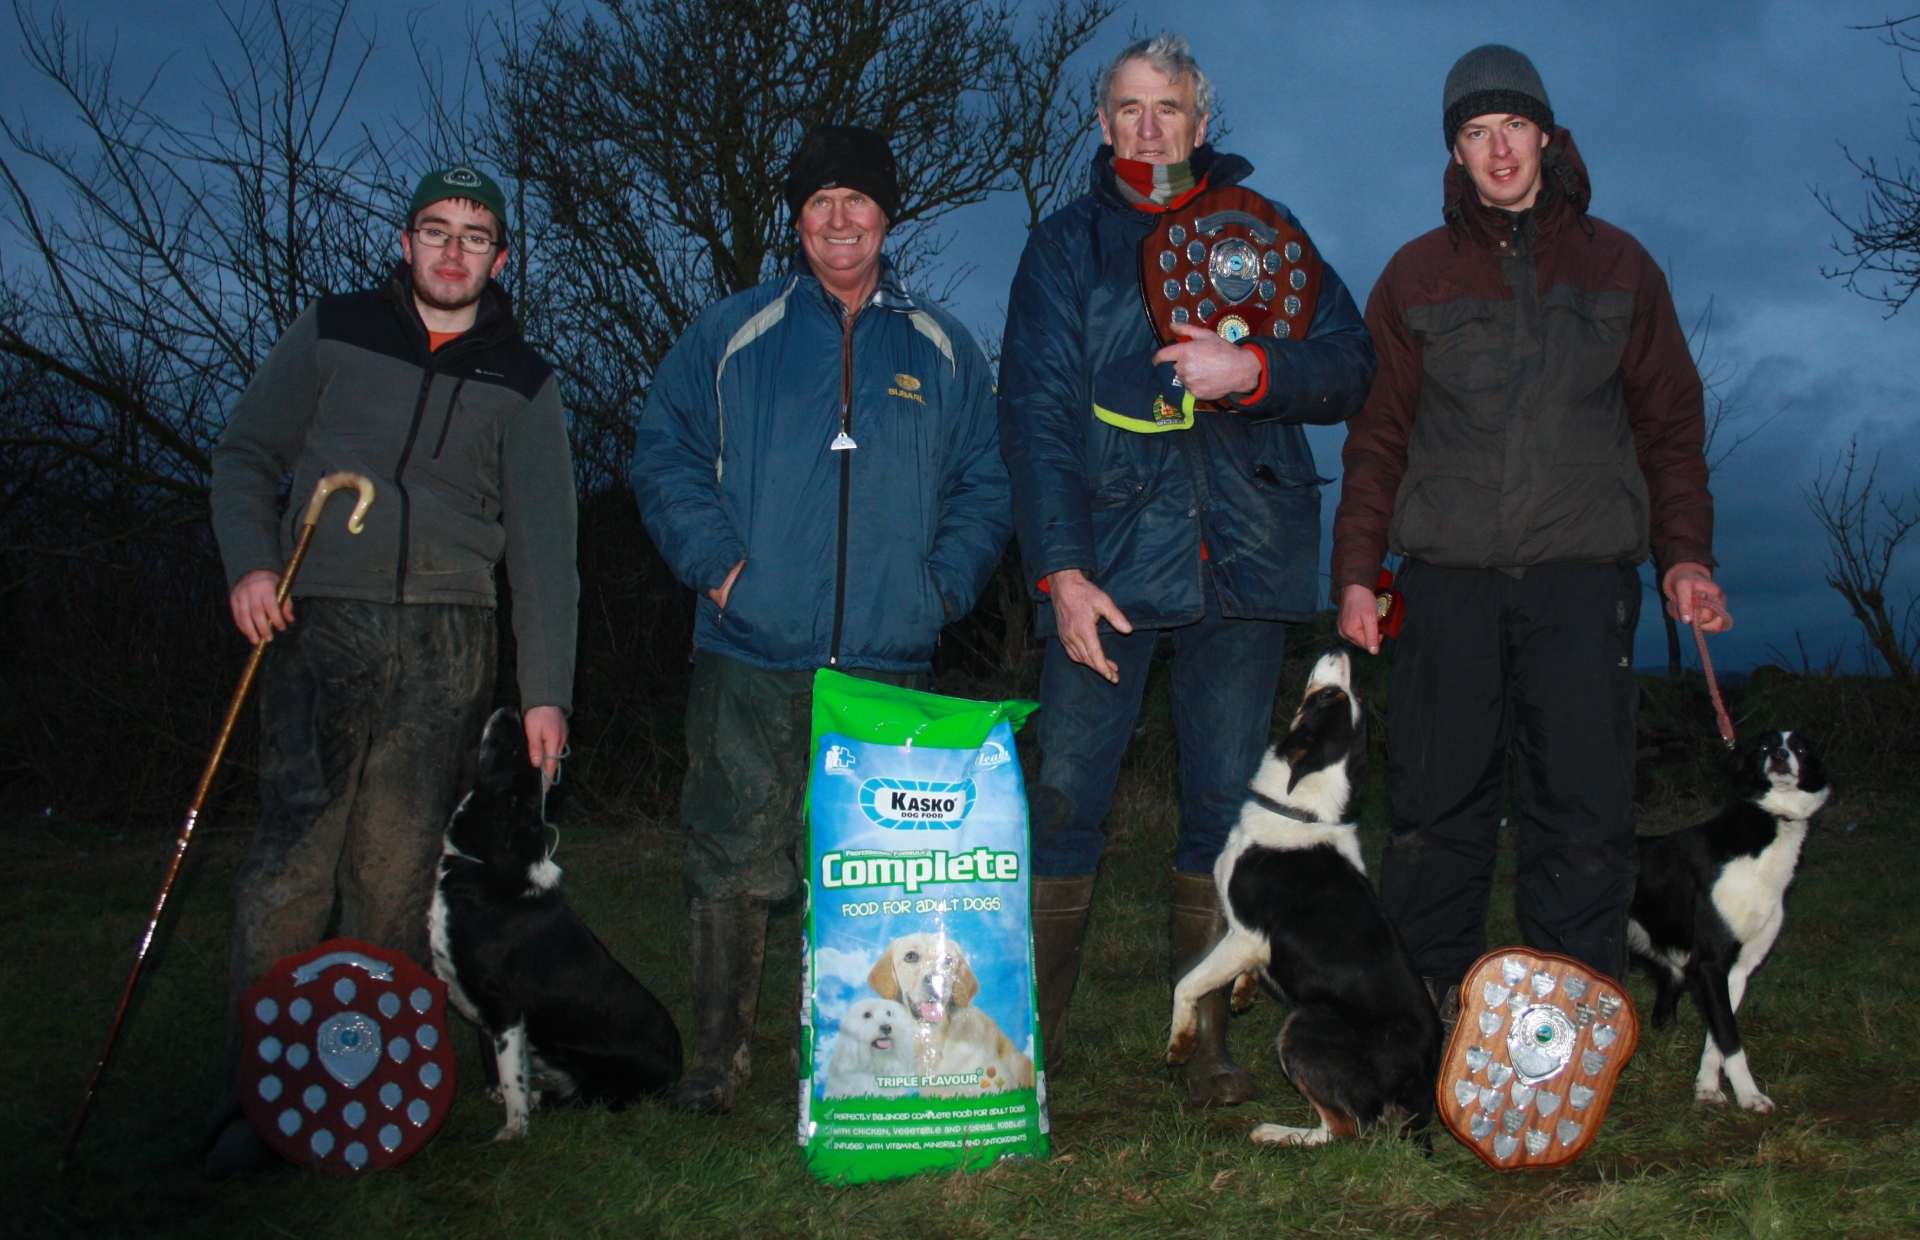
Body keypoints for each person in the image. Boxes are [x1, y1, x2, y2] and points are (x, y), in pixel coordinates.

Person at [998, 34, 1376, 1107]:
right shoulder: (1063, 248)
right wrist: (1060, 572)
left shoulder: (1271, 234)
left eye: (1169, 107)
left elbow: (1352, 362)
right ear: (1102, 123)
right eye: (1129, 108)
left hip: (1248, 564)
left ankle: (1200, 1040)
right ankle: (1025, 1043)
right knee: (1066, 800)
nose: (1150, 126)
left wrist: (1253, 367)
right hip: (1109, 572)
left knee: (1218, 805)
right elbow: (1031, 417)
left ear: (1202, 122)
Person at [1331, 45, 1729, 1023]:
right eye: (1475, 133)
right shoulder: (1414, 277)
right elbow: (1376, 438)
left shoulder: (1621, 265)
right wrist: (1354, 574)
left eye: (1513, 126)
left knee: (1585, 821)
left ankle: (1572, 1036)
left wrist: (1684, 555)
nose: (1498, 149)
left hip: (1583, 582)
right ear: (1455, 154)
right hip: (1448, 584)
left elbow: (1670, 422)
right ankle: (1425, 1028)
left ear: (1547, 135)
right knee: (1433, 818)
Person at [203, 166, 579, 1177]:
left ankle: (369, 1094)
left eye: (475, 237)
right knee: (292, 862)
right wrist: (249, 563)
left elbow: (546, 542)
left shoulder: (524, 379)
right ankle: (256, 1096)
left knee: (397, 873)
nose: (453, 252)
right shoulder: (332, 329)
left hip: (449, 639)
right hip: (317, 624)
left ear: (502, 259)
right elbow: (243, 454)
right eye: (435, 231)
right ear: (406, 241)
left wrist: (545, 687)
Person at [632, 126, 1010, 1114]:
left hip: (890, 665)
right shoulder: (732, 332)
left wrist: (941, 589)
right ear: (796, 218)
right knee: (732, 855)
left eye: (860, 202)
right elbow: (663, 454)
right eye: (820, 203)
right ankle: (716, 1067)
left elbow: (984, 482)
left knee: (878, 876)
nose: (841, 220)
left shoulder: (942, 345)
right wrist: (722, 572)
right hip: (751, 653)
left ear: (888, 214)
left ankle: (868, 1071)